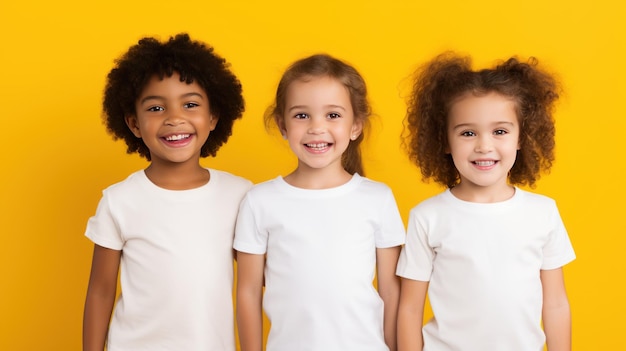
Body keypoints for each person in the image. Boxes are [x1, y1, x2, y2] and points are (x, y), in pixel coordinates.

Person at [82, 33, 253, 351]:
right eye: (156, 108)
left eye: (190, 104)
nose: (175, 118)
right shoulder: (119, 201)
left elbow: (262, 281)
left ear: (213, 116)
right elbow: (100, 292)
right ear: (134, 124)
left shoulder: (242, 196)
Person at [396, 52, 576, 351]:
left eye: (500, 131)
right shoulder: (427, 217)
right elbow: (409, 309)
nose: (484, 146)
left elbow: (555, 304)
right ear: (445, 141)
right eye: (468, 132)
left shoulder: (542, 212)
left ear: (520, 137)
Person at [234, 54, 405, 351]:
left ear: (355, 126)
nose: (316, 127)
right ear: (282, 125)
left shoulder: (377, 198)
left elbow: (391, 293)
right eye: (302, 115)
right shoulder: (260, 201)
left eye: (333, 115)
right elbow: (248, 292)